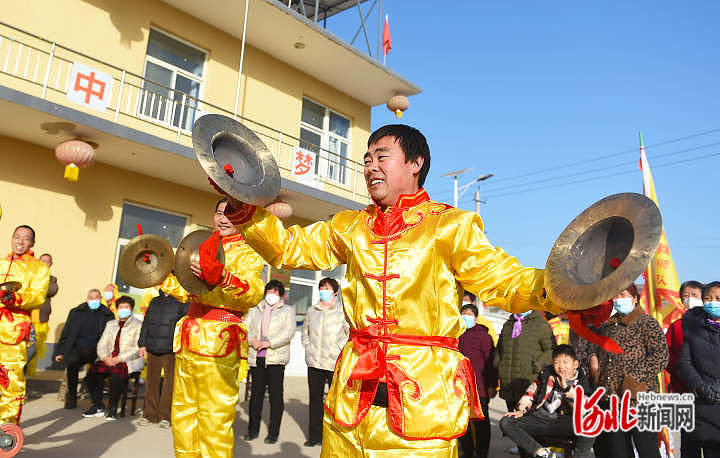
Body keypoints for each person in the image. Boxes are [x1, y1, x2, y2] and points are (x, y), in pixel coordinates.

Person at [218, 124, 568, 457]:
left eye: (381, 156)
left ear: (416, 164)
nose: (370, 167)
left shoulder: (449, 226)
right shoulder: (350, 226)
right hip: (353, 399)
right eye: (366, 160)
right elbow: (288, 248)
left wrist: (567, 289)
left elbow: (502, 279)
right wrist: (242, 207)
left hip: (423, 402)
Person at [160, 197, 264, 458]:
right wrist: (157, 275)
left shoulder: (248, 251)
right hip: (189, 337)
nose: (224, 218)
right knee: (183, 413)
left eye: (231, 213)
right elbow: (186, 290)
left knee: (214, 417)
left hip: (220, 339)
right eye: (219, 212)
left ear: (242, 218)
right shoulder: (200, 245)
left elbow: (252, 293)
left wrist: (223, 277)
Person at [589, 284, 669, 458]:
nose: (618, 300)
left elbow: (661, 356)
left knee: (647, 449)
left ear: (634, 298)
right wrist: (595, 362)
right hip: (611, 398)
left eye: (623, 295)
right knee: (619, 452)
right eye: (615, 297)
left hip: (639, 399)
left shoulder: (646, 322)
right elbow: (599, 351)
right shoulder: (608, 326)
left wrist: (633, 377)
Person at [499, 345, 594, 458]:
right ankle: (541, 453)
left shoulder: (582, 381)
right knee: (507, 422)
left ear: (575, 364)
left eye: (565, 362)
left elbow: (585, 409)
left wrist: (568, 390)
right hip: (541, 419)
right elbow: (531, 393)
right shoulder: (546, 374)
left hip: (565, 423)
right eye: (557, 362)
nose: (561, 366)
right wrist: (521, 410)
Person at [0, 225, 50, 424]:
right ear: (11, 239)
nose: (20, 241)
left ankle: (6, 428)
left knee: (10, 380)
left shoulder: (39, 268)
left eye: (26, 238)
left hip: (13, 332)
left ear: (32, 243)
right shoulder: (2, 263)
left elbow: (38, 296)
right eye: (17, 237)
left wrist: (14, 298)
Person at [245, 280, 296, 444]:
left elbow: (289, 332)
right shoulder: (255, 309)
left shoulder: (287, 311)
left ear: (281, 295)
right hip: (257, 358)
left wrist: (269, 342)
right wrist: (251, 340)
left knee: (275, 397)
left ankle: (273, 433)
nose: (272, 295)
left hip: (276, 359)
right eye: (269, 291)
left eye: (275, 292)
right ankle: (252, 430)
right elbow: (244, 329)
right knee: (256, 396)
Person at [302, 277, 349, 447]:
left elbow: (349, 334)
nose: (324, 291)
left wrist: (339, 348)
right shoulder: (311, 310)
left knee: (335, 402)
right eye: (322, 287)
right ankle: (314, 436)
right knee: (314, 401)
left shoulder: (342, 312)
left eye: (327, 288)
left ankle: (333, 436)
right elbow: (305, 331)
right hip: (314, 363)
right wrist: (308, 347)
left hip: (333, 363)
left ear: (335, 292)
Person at [677, 281, 720, 458]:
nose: (713, 302)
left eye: (718, 298)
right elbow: (685, 362)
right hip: (704, 401)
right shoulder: (693, 327)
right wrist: (701, 386)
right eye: (708, 298)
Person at [83, 296, 144, 420]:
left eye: (126, 307)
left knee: (116, 376)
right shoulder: (110, 324)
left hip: (129, 361)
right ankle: (98, 405)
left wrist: (119, 359)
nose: (123, 310)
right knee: (92, 374)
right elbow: (102, 343)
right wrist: (105, 357)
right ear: (117, 309)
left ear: (131, 309)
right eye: (121, 307)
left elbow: (137, 348)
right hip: (109, 359)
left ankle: (112, 408)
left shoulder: (138, 325)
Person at [135, 290, 188, 427]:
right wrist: (142, 344)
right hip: (152, 347)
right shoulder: (154, 301)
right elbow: (146, 323)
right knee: (151, 382)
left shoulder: (182, 302)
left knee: (169, 385)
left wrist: (180, 347)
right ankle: (149, 414)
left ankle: (165, 416)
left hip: (171, 349)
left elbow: (184, 326)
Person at [54, 288, 114, 409]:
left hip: (97, 350)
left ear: (100, 298)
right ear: (87, 299)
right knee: (72, 365)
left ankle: (96, 400)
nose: (94, 301)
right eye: (91, 298)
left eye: (96, 298)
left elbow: (111, 336)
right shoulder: (76, 312)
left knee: (98, 371)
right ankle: (71, 396)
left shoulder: (107, 314)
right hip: (78, 349)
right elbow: (66, 333)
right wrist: (60, 352)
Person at [495, 310, 555, 412]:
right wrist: (498, 368)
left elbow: (551, 350)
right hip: (508, 383)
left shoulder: (541, 324)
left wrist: (537, 366)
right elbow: (499, 350)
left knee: (525, 420)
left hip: (529, 383)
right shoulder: (508, 324)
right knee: (510, 420)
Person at [458, 303, 497, 458]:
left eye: (468, 314)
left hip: (480, 387)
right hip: (460, 387)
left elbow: (491, 363)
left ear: (475, 317)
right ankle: (467, 451)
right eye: (463, 314)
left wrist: (492, 385)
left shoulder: (484, 336)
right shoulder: (457, 334)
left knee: (481, 422)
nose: (465, 317)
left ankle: (482, 452)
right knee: (463, 422)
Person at [666, 280, 703, 394]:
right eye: (686, 296)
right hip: (681, 386)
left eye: (694, 295)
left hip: (709, 386)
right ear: (682, 300)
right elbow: (665, 353)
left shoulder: (713, 325)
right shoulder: (675, 326)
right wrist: (679, 370)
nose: (690, 299)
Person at [27, 253, 57, 378]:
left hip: (40, 320)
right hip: (26, 318)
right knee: (24, 352)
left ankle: (25, 383)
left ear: (50, 264)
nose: (44, 263)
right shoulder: (29, 275)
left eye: (47, 262)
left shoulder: (52, 279)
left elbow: (51, 290)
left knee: (33, 353)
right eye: (42, 261)